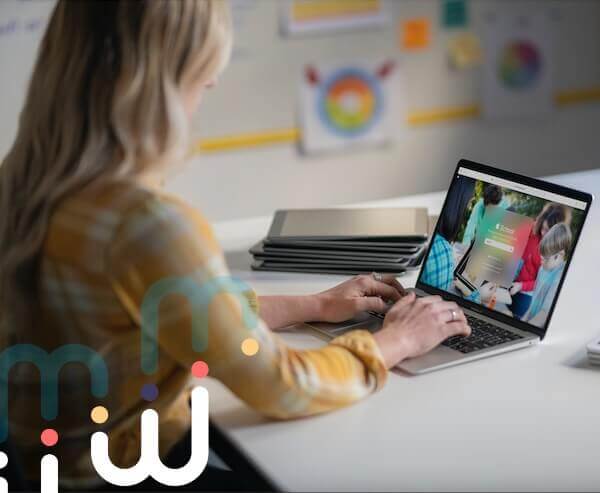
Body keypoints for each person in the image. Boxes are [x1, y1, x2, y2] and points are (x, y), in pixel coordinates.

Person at [0, 1, 471, 489]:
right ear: (161, 78)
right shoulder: (145, 226)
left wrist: (313, 305)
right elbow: (282, 386)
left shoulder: (21, 186)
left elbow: (168, 317)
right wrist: (396, 341)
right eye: (204, 66)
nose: (211, 83)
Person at [421, 178, 496, 303]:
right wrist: (478, 297)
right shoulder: (440, 248)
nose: (468, 206)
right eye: (468, 200)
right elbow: (440, 307)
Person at [509, 203, 570, 317]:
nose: (543, 233)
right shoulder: (532, 230)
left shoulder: (554, 254)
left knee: (516, 318)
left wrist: (521, 286)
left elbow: (542, 280)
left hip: (526, 291)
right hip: (510, 280)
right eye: (543, 228)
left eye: (548, 231)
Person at [522, 223, 572, 327]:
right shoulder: (542, 269)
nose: (541, 262)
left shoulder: (561, 276)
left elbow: (545, 312)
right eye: (541, 258)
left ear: (560, 255)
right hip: (532, 321)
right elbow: (533, 303)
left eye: (545, 259)